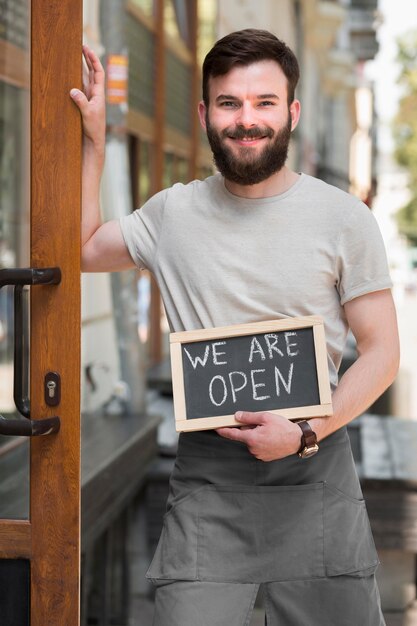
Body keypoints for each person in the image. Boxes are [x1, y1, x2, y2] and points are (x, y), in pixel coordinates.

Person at [71, 29, 399, 626]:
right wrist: (95, 141)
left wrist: (304, 431)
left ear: (292, 112)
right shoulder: (171, 214)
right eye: (229, 103)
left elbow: (382, 354)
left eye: (264, 103)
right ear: (203, 114)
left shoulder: (344, 218)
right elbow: (84, 247)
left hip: (315, 477)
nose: (247, 120)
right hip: (208, 488)